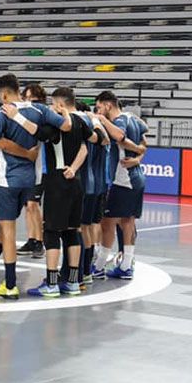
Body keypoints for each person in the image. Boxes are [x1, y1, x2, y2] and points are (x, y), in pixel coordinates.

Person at [0, 74, 70, 300]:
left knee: (8, 231)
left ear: (4, 93)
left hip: (7, 179)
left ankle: (10, 285)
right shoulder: (40, 111)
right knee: (4, 230)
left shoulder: (4, 111)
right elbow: (66, 126)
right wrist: (65, 112)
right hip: (31, 180)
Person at [25, 87, 98, 298]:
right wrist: (74, 168)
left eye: (52, 103)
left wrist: (16, 117)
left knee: (52, 232)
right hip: (76, 181)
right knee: (72, 231)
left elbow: (36, 132)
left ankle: (52, 283)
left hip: (57, 181)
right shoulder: (81, 121)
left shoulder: (54, 126)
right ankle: (74, 282)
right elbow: (89, 143)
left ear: (60, 104)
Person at [92, 91, 149, 280]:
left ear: (108, 105)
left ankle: (99, 266)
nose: (98, 111)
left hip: (123, 179)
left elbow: (119, 135)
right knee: (128, 221)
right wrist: (139, 156)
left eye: (99, 107)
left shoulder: (119, 120)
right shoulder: (134, 117)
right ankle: (126, 265)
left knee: (107, 222)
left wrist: (100, 119)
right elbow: (144, 139)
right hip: (135, 177)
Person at [75, 101, 110, 286]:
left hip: (86, 185)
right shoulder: (100, 129)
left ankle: (82, 270)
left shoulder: (87, 130)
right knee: (89, 225)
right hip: (98, 185)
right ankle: (87, 269)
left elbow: (102, 140)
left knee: (81, 228)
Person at [17, 83, 48, 258]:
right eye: (26, 99)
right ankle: (31, 239)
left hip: (41, 167)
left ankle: (39, 241)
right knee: (27, 206)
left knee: (33, 205)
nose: (29, 103)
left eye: (33, 100)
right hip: (28, 166)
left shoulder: (42, 115)